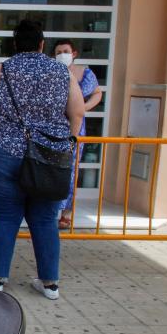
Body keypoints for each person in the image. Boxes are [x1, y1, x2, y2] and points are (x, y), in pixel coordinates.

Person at [0, 19, 84, 300]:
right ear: (42, 44)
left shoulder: (1, 70)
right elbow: (78, 113)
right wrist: (66, 145)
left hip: (6, 151)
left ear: (14, 44)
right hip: (50, 155)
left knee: (6, 216)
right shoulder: (62, 72)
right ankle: (50, 284)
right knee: (46, 218)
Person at [52, 39, 103, 229]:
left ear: (73, 53)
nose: (62, 54)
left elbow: (97, 93)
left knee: (71, 170)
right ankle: (48, 210)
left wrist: (83, 108)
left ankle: (66, 213)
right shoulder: (51, 72)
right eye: (58, 52)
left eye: (65, 51)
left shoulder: (84, 73)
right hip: (53, 126)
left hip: (75, 127)